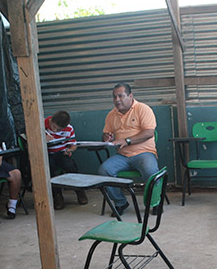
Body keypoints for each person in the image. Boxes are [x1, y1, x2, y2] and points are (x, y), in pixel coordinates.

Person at [98, 83, 159, 216]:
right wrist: (106, 137)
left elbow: (149, 132)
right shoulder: (111, 115)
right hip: (123, 156)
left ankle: (155, 203)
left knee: (151, 171)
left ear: (130, 96)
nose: (117, 100)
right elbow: (105, 135)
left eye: (120, 96)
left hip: (144, 153)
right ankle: (120, 203)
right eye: (114, 97)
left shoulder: (143, 109)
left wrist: (127, 140)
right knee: (104, 170)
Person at [44, 110, 88, 210]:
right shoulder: (42, 124)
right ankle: (57, 195)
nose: (55, 130)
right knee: (50, 168)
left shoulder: (69, 129)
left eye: (58, 129)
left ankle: (79, 191)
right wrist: (43, 139)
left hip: (62, 153)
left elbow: (73, 144)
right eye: (54, 127)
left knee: (70, 165)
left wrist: (69, 150)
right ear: (51, 120)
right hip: (48, 153)